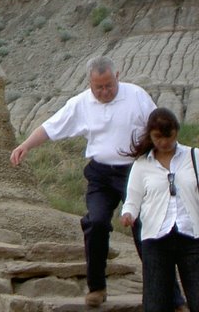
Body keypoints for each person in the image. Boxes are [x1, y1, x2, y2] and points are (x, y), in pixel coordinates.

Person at [10, 56, 161, 307]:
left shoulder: (137, 96)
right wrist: (25, 145)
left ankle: (165, 293)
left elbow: (161, 126)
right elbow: (52, 127)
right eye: (98, 87)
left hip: (136, 171)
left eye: (108, 86)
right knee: (96, 222)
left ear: (118, 76)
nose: (104, 92)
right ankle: (97, 288)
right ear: (90, 83)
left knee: (145, 226)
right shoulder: (81, 103)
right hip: (101, 174)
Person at [121, 108, 199, 312]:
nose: (164, 142)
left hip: (192, 236)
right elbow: (133, 198)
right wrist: (128, 214)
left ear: (176, 132)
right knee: (156, 302)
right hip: (156, 238)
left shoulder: (194, 157)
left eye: (169, 136)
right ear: (150, 135)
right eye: (158, 137)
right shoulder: (141, 164)